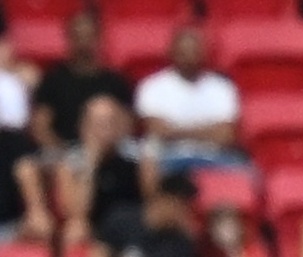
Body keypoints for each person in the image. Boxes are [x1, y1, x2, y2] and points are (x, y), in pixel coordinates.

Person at [133, 27, 242, 169]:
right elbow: (157, 131)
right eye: (184, 52)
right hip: (167, 158)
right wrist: (206, 132)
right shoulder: (152, 86)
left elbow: (225, 136)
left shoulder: (222, 88)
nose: (190, 57)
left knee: (247, 174)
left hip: (214, 158)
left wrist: (176, 131)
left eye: (194, 51)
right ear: (172, 52)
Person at [31, 12, 132, 152]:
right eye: (78, 36)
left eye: (89, 36)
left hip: (108, 154)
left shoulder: (116, 82)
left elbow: (125, 126)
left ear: (99, 38)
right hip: (64, 154)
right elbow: (40, 127)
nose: (83, 43)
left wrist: (104, 153)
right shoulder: (52, 81)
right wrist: (63, 153)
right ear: (69, 39)